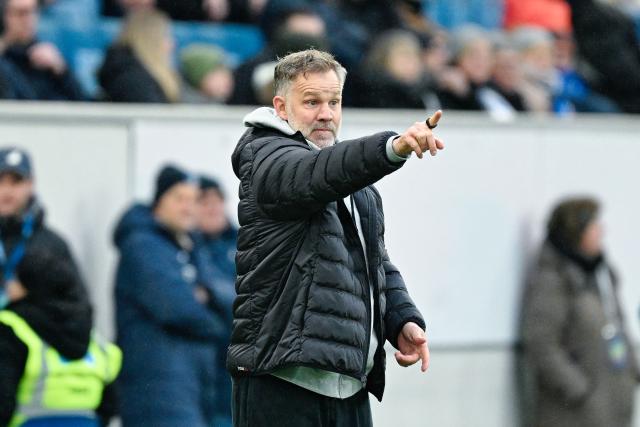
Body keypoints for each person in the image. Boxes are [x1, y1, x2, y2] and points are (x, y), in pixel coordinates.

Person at [229, 49, 443, 427]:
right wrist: (391, 148)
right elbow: (316, 174)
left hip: (348, 387)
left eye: (334, 101)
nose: (326, 113)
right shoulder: (265, 157)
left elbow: (373, 261)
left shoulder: (354, 182)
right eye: (311, 102)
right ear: (281, 107)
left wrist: (401, 319)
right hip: (281, 382)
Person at [0, 147, 121, 427]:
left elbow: (73, 310)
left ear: (31, 185)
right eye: (1, 181)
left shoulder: (51, 244)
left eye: (15, 182)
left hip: (23, 376)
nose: (7, 191)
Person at [113, 164, 227, 427]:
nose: (188, 207)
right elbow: (178, 308)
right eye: (179, 198)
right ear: (159, 202)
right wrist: (217, 322)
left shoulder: (190, 246)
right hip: (157, 392)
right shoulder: (143, 246)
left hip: (193, 387)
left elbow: (231, 295)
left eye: (193, 200)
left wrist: (206, 294)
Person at [520, 197, 640, 427]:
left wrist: (632, 371)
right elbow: (541, 344)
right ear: (575, 232)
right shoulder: (551, 280)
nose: (601, 231)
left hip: (613, 408)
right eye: (594, 226)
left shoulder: (602, 274)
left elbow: (620, 326)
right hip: (575, 413)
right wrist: (579, 390)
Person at [196, 175, 237, 427]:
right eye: (204, 202)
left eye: (217, 201)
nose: (212, 208)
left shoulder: (244, 242)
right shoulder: (186, 246)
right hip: (199, 364)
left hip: (233, 364)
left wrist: (210, 290)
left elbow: (250, 298)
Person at [0, 0, 86, 101]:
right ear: (5, 16)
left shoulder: (47, 57)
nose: (28, 19)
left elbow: (83, 102)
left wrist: (62, 70)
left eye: (33, 12)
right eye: (21, 13)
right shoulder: (4, 59)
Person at [98, 9, 181, 103]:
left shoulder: (131, 73)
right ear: (150, 40)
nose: (172, 45)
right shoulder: (133, 80)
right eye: (166, 36)